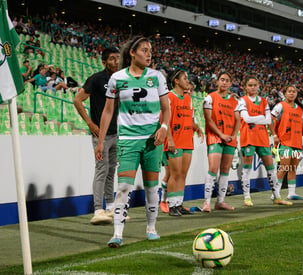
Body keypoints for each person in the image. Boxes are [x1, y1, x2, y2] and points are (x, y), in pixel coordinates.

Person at [95, 36, 170, 247]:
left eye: (150, 51)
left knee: (151, 187)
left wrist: (163, 128)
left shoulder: (157, 77)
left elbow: (166, 108)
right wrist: (100, 141)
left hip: (152, 141)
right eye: (145, 50)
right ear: (132, 53)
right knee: (124, 187)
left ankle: (151, 228)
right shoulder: (117, 78)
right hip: (128, 139)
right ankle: (117, 233)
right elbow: (108, 111)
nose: (149, 54)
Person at [73, 47, 120, 225]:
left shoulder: (121, 79)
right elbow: (77, 100)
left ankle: (111, 207)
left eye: (117, 58)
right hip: (100, 135)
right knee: (101, 170)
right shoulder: (96, 79)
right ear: (104, 62)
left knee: (111, 171)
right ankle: (98, 209)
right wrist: (90, 123)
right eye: (112, 59)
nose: (116, 62)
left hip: (116, 132)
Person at [163, 69, 204, 216]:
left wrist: (197, 128)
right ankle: (171, 205)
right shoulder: (169, 97)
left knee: (183, 174)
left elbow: (189, 118)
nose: (188, 81)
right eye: (185, 78)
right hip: (175, 141)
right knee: (174, 174)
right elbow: (165, 120)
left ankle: (179, 203)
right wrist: (170, 139)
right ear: (177, 81)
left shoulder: (188, 98)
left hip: (187, 140)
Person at [238, 76, 282, 206]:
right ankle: (247, 197)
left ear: (258, 86)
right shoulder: (242, 101)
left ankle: (277, 196)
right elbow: (246, 119)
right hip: (248, 137)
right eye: (250, 85)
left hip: (262, 138)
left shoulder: (264, 101)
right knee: (246, 168)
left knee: (271, 167)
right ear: (245, 87)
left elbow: (268, 120)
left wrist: (255, 119)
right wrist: (261, 117)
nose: (253, 87)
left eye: (255, 85)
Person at [202, 71, 241, 212]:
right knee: (213, 168)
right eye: (222, 80)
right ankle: (206, 202)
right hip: (215, 137)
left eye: (227, 80)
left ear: (230, 84)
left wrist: (234, 135)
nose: (224, 82)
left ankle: (220, 201)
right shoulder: (210, 98)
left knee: (225, 170)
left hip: (230, 138)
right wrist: (221, 134)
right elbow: (208, 119)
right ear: (217, 82)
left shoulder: (235, 101)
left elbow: (238, 120)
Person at [271, 85, 303, 202]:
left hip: (297, 143)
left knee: (293, 168)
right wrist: (274, 135)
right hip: (285, 142)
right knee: (284, 168)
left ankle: (291, 193)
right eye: (289, 91)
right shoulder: (280, 106)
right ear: (285, 94)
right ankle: (275, 193)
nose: (292, 93)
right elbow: (270, 119)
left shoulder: (300, 109)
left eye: (294, 92)